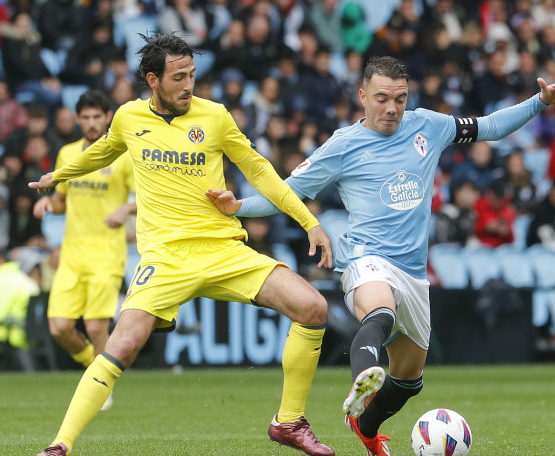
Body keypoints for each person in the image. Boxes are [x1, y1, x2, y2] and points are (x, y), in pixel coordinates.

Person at [208, 56, 555, 455]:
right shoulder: (343, 145)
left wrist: (539, 101)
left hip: (414, 273)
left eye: (400, 98)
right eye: (382, 98)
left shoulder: (427, 126)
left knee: (409, 380)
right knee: (379, 312)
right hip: (367, 260)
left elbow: (488, 127)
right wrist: (239, 206)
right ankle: (365, 375)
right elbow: (287, 191)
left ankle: (364, 424)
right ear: (363, 96)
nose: (392, 108)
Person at [29, 33, 335, 456]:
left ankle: (288, 422)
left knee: (314, 307)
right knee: (121, 344)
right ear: (153, 80)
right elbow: (101, 152)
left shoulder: (215, 117)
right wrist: (57, 176)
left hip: (222, 248)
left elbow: (261, 172)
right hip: (165, 257)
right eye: (178, 77)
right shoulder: (128, 118)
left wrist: (308, 222)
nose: (189, 84)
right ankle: (59, 446)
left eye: (192, 75)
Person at [32, 90, 135, 412]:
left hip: (107, 253)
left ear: (108, 118)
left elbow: (145, 195)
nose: (91, 123)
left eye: (97, 117)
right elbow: (63, 200)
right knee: (60, 327)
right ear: (77, 120)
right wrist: (48, 202)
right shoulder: (66, 154)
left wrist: (125, 210)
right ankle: (95, 365)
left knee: (94, 326)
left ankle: (100, 388)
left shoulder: (122, 154)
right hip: (72, 254)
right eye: (85, 118)